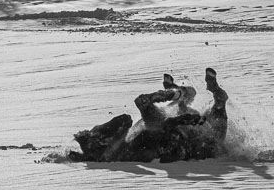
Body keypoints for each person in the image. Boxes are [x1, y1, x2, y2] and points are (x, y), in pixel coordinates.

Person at [72, 68, 229, 162]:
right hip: (198, 139)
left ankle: (175, 93)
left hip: (163, 127)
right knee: (218, 112)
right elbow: (170, 148)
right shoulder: (128, 155)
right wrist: (181, 120)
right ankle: (212, 92)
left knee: (143, 103)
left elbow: (127, 121)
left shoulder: (124, 143)